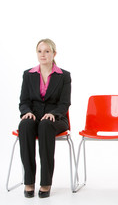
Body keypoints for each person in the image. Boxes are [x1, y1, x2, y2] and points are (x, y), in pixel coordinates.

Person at [18, 38, 71, 198]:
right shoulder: (28, 74)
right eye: (40, 51)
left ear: (54, 53)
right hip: (34, 116)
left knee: (46, 125)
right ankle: (29, 181)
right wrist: (26, 111)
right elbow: (24, 101)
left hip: (56, 118)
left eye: (47, 51)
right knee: (25, 125)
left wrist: (53, 113)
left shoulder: (64, 76)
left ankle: (45, 182)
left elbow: (64, 103)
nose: (43, 54)